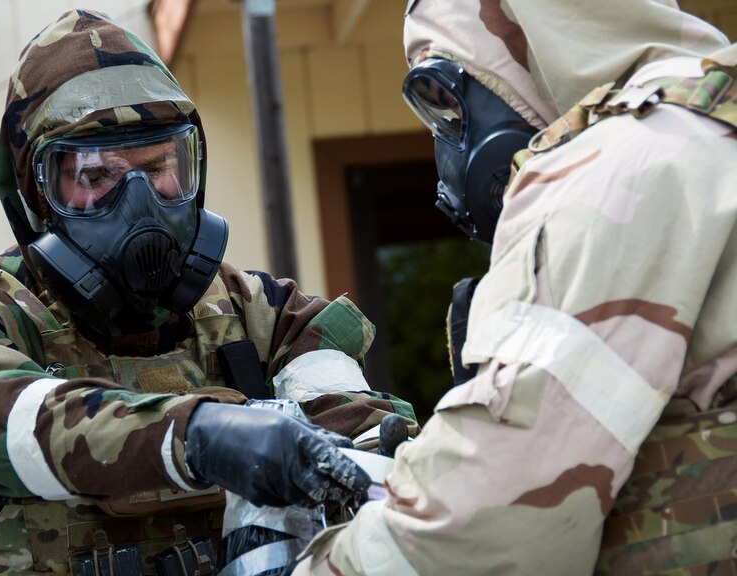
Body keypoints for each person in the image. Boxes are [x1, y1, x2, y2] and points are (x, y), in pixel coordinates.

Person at [0, 10, 418, 576]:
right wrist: (203, 437)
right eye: (96, 176)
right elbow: (10, 426)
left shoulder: (267, 315)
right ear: (36, 195)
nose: (139, 201)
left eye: (160, 165)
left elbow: (360, 434)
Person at [290, 0, 737, 574]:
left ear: (530, 36)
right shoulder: (708, 121)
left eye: (445, 98)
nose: (446, 142)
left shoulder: (619, 166)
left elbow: (494, 519)